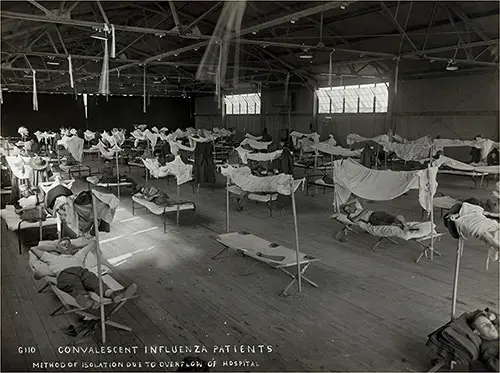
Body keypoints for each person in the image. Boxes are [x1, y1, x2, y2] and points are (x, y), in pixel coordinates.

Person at [30, 239, 137, 309]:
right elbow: (33, 249)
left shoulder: (77, 256)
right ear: (58, 249)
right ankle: (84, 299)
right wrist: (54, 247)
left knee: (94, 280)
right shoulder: (52, 258)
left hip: (82, 272)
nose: (67, 245)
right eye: (64, 245)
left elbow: (93, 242)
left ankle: (113, 294)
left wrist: (75, 245)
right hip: (65, 274)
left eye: (69, 244)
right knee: (74, 284)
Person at [337, 199, 408, 241]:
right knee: (386, 224)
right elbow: (354, 220)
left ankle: (403, 225)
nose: (349, 209)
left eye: (349, 207)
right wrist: (363, 213)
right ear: (347, 212)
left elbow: (356, 199)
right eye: (347, 210)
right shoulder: (350, 215)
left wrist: (345, 204)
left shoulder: (357, 208)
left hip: (377, 213)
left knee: (396, 217)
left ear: (351, 206)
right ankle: (399, 226)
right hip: (371, 219)